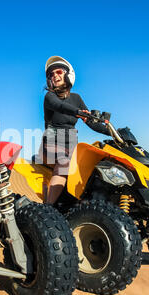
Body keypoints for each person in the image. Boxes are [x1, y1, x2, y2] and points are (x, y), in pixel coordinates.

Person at [39, 56, 110, 204]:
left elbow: (91, 122)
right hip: (50, 145)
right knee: (64, 162)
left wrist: (110, 131)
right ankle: (48, 207)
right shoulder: (49, 96)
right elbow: (60, 106)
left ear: (68, 74)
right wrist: (78, 112)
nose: (55, 76)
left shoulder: (76, 98)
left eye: (58, 72)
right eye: (51, 74)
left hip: (70, 146)